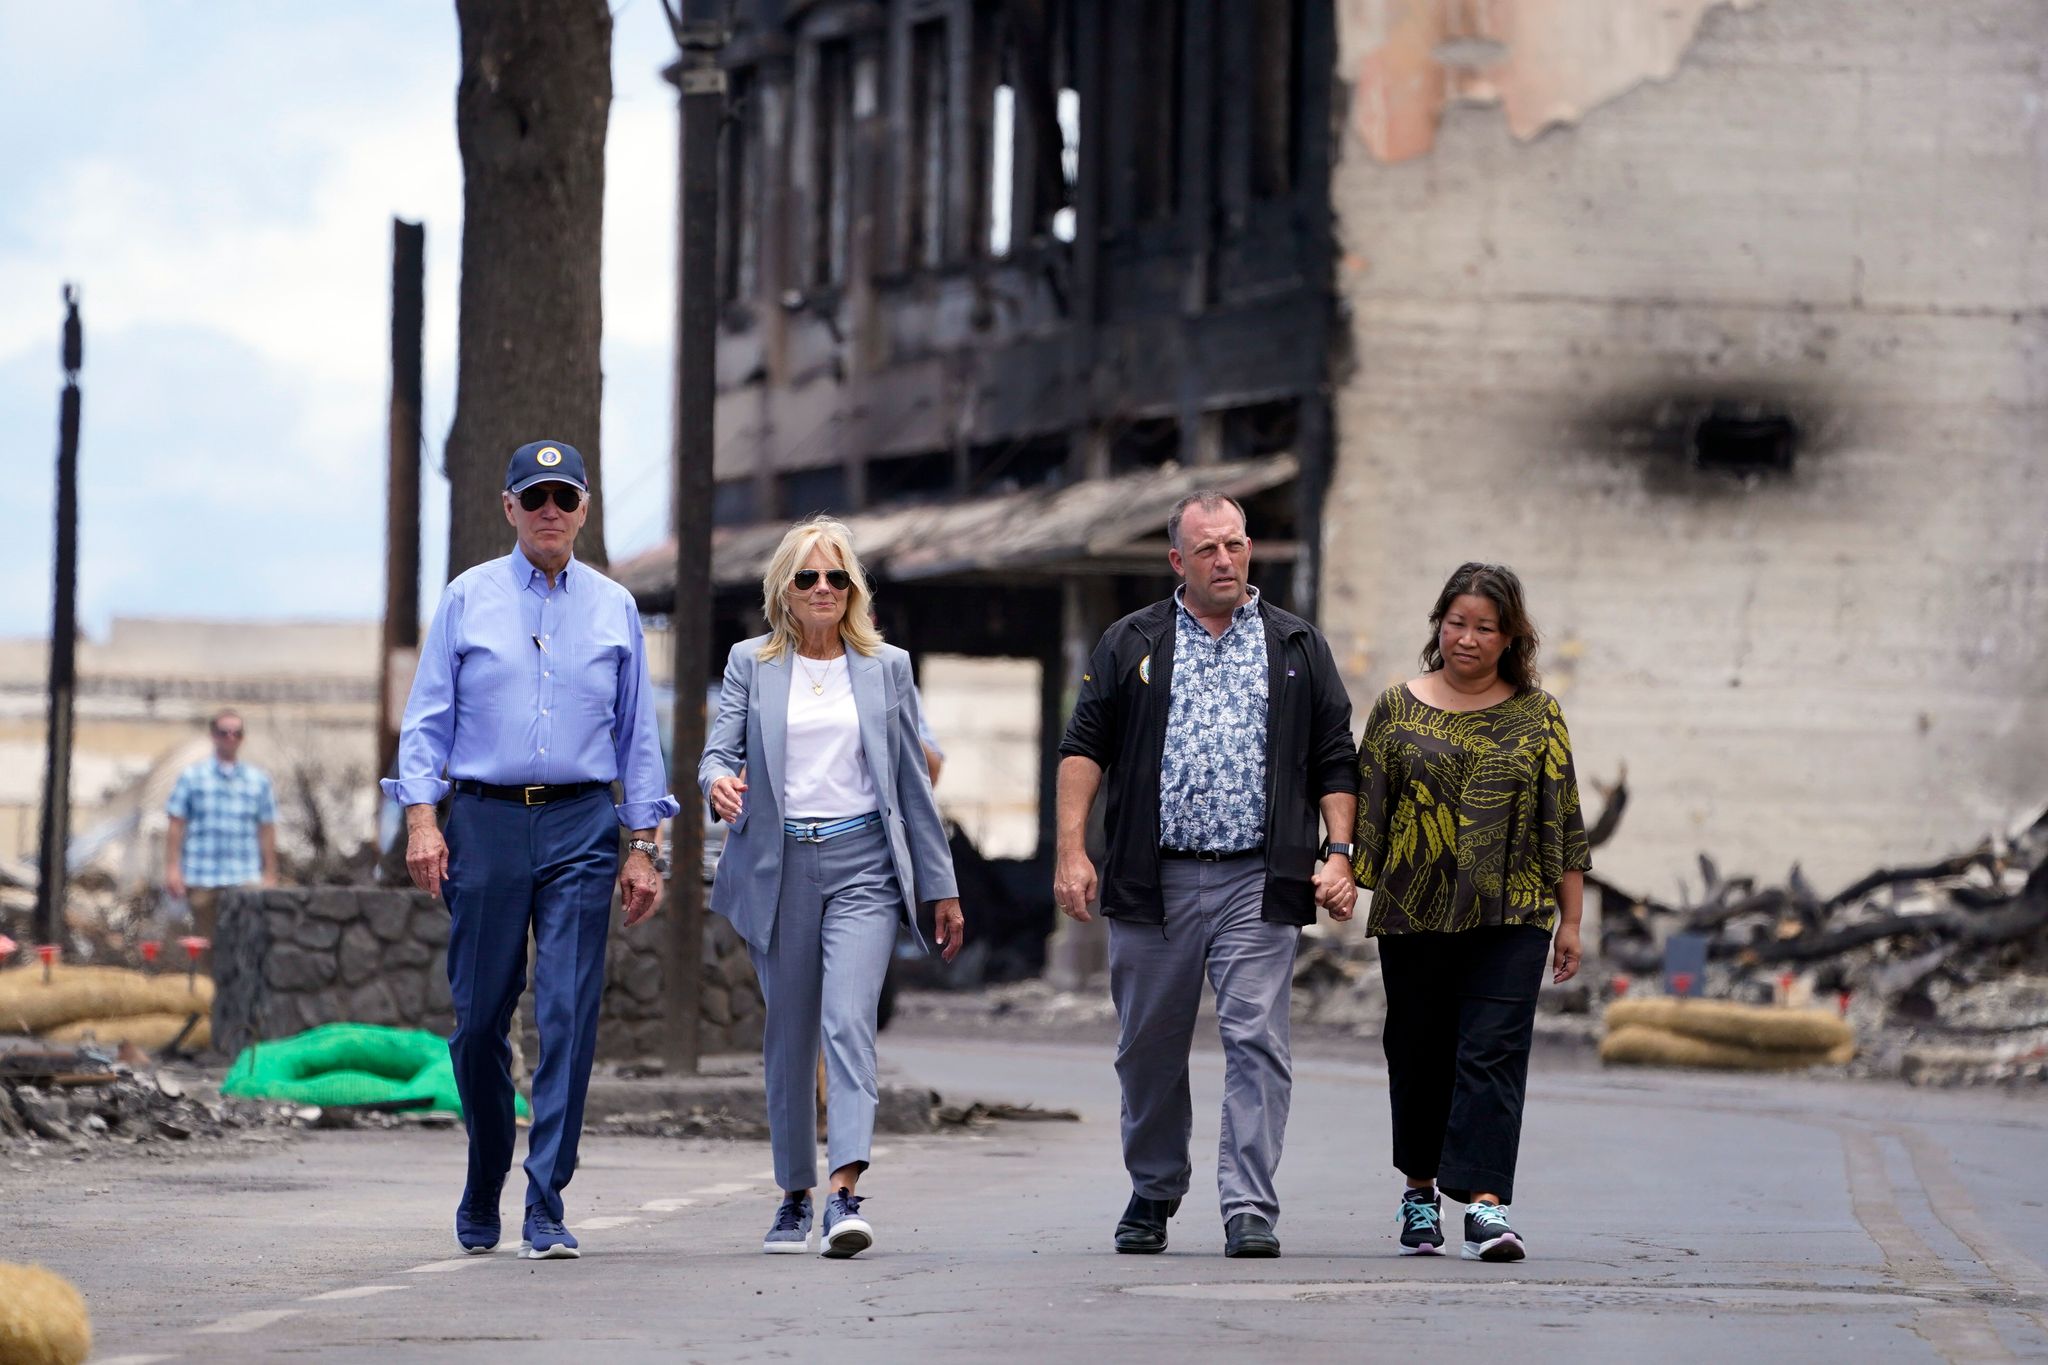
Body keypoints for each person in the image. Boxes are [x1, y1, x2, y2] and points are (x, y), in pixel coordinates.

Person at [384, 438, 677, 1261]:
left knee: (568, 1012)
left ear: (584, 509)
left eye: (565, 497)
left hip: (582, 823)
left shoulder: (615, 607)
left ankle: (546, 1199)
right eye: (535, 497)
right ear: (509, 506)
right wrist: (422, 819)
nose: (551, 511)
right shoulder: (467, 598)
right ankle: (486, 1174)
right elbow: (427, 719)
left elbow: (637, 735)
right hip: (485, 820)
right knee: (480, 1018)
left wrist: (644, 844)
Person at [1054, 492, 1358, 1259]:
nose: (1225, 560)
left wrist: (1340, 852)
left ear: (1249, 546)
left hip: (1258, 878)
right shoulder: (1132, 640)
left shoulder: (1296, 644)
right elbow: (1084, 747)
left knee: (1256, 1040)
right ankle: (1155, 1186)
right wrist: (1071, 850)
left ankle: (1249, 1203)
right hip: (1151, 880)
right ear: (1177, 561)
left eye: (1235, 544)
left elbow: (1334, 755)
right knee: (1147, 1046)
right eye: (1207, 549)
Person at [700, 515, 963, 1260]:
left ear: (853, 589)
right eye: (808, 576)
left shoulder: (886, 667)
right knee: (790, 1035)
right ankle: (794, 1193)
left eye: (837, 577)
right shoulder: (751, 663)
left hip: (864, 865)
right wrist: (718, 782)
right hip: (779, 867)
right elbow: (717, 753)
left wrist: (940, 886)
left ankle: (844, 1192)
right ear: (784, 588)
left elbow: (912, 785)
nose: (823, 588)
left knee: (848, 1020)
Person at [1351, 562, 1590, 1263]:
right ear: (1439, 625)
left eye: (1486, 627)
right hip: (1413, 911)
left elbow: (1563, 820)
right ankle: (1420, 1193)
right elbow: (1368, 806)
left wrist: (1572, 921)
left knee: (1494, 1052)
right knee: (1418, 1052)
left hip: (1513, 912)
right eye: (1457, 622)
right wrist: (1342, 876)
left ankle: (1487, 1207)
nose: (1468, 638)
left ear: (1510, 637)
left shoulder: (1538, 715)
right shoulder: (1396, 709)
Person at [165, 707, 278, 968]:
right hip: (202, 876)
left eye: (236, 733)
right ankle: (207, 993)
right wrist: (172, 868)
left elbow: (267, 828)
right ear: (213, 735)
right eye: (224, 732)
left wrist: (270, 873)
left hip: (245, 876)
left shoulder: (258, 780)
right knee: (204, 949)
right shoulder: (192, 777)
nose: (230, 738)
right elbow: (176, 823)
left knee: (245, 947)